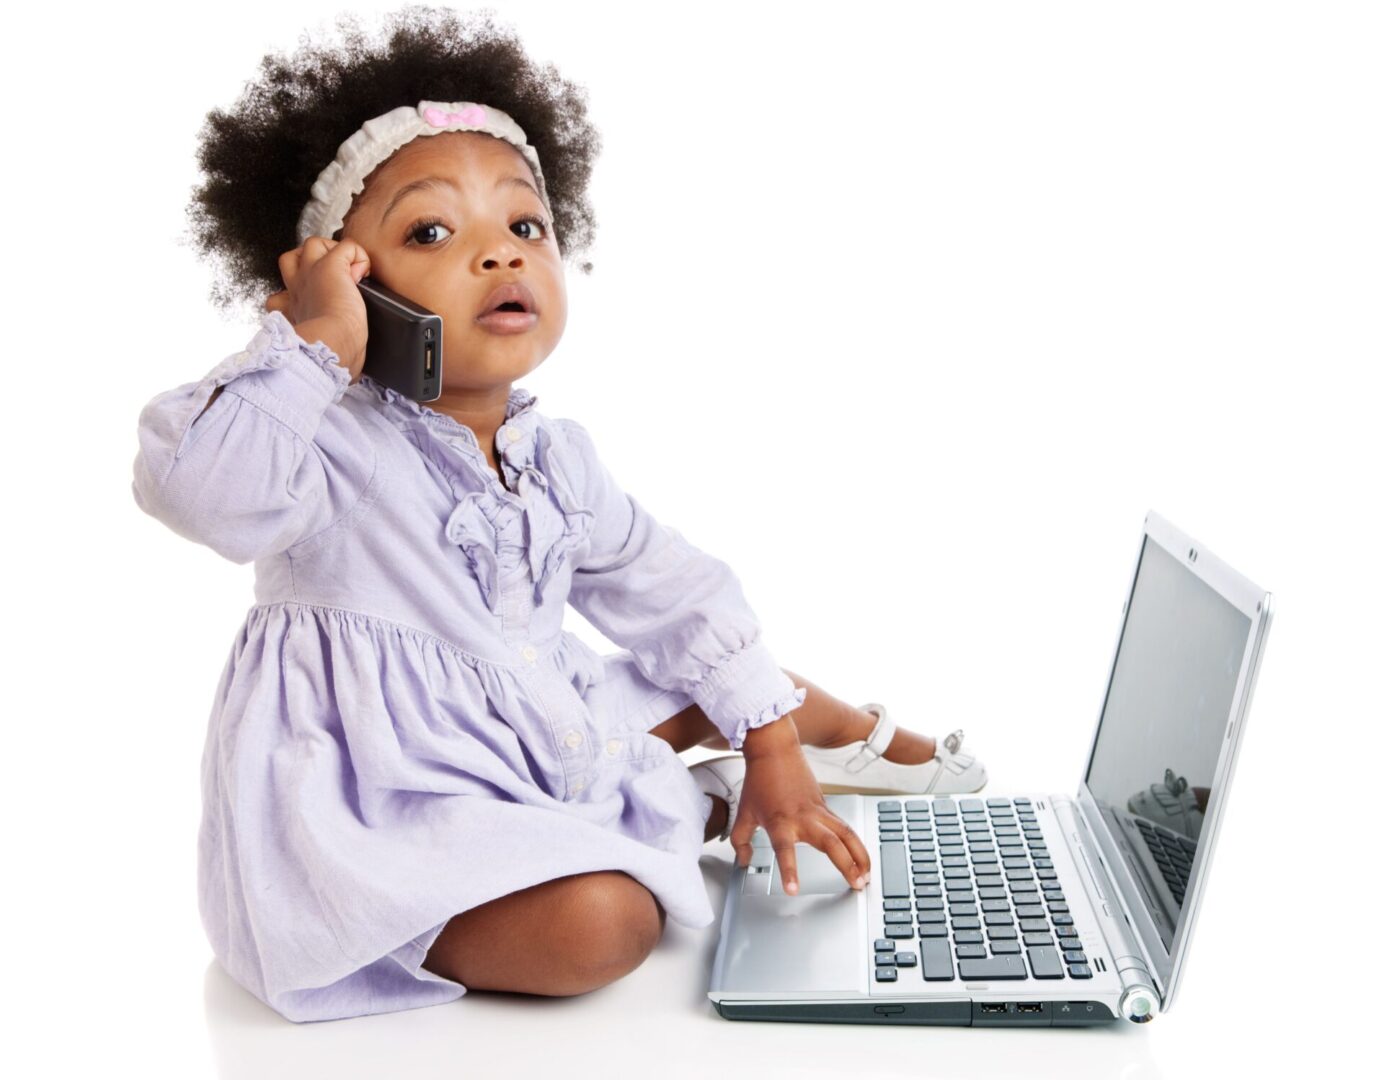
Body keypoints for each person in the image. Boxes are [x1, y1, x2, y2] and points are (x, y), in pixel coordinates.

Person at [131, 5, 987, 1023]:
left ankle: (832, 755)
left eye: (523, 226)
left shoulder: (556, 457)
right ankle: (695, 809)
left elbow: (677, 591)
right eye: (431, 230)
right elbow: (201, 499)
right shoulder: (326, 440)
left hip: (535, 730)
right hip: (395, 803)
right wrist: (314, 343)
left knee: (731, 672)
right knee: (604, 930)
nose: (499, 257)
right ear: (348, 275)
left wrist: (770, 747)